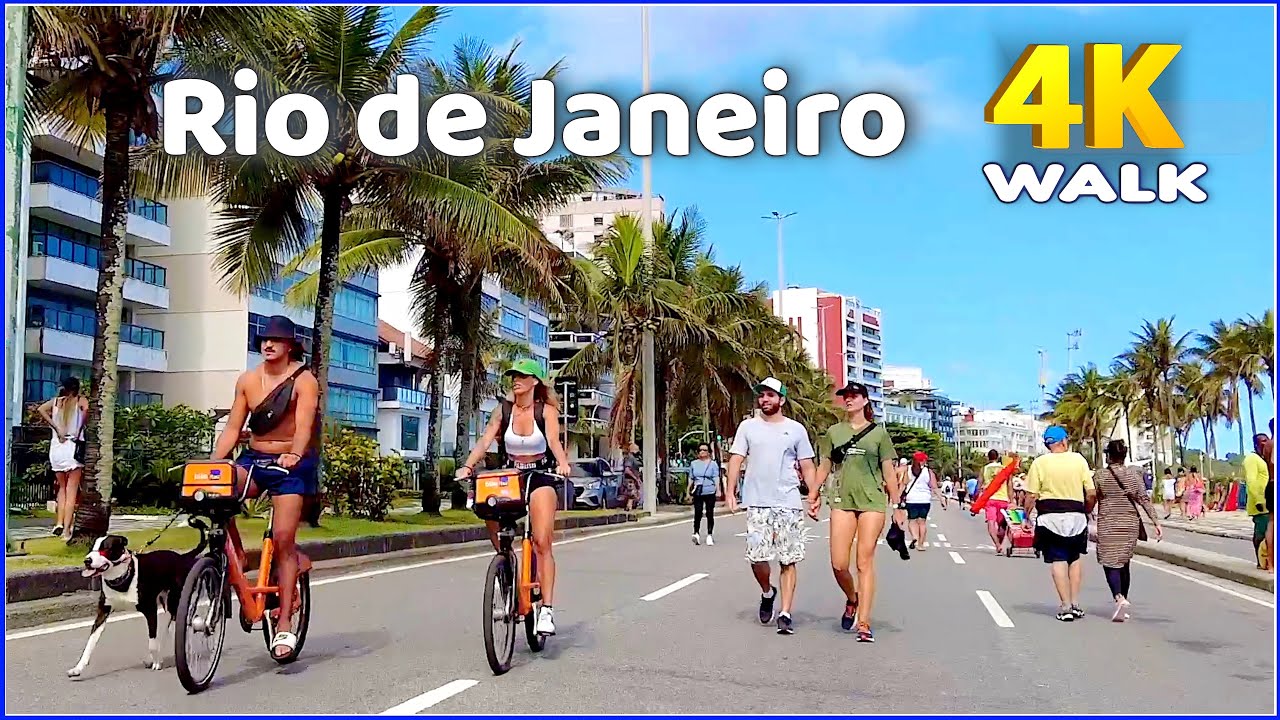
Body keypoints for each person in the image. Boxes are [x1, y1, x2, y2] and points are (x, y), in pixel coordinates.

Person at [211, 315, 320, 659]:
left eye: (276, 340)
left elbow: (304, 426)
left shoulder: (305, 381)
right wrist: (215, 461)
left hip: (291, 465)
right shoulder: (248, 380)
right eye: (264, 340)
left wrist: (295, 454)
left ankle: (284, 622)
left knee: (285, 541)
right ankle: (239, 555)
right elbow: (232, 428)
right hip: (254, 459)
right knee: (218, 493)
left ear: (290, 346)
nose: (268, 344)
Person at [457, 358, 572, 635]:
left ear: (534, 382)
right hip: (511, 476)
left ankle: (546, 609)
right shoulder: (503, 411)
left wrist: (563, 463)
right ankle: (505, 564)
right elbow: (485, 441)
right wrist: (468, 465)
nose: (515, 380)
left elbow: (554, 442)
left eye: (522, 376)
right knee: (487, 506)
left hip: (541, 477)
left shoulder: (546, 412)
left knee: (542, 541)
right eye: (513, 376)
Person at [808, 381, 900, 643]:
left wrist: (897, 505)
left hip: (872, 501)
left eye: (854, 395)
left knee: (864, 561)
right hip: (841, 500)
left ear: (865, 400)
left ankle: (864, 622)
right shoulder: (834, 432)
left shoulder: (879, 434)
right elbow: (824, 465)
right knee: (839, 564)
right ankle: (852, 597)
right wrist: (813, 493)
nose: (848, 399)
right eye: (845, 396)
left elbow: (888, 470)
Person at [725, 377, 816, 636]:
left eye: (770, 395)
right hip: (757, 501)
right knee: (757, 557)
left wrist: (813, 494)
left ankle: (785, 613)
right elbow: (736, 459)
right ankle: (768, 592)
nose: (765, 399)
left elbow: (807, 464)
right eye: (762, 395)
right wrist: (730, 491)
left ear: (781, 400)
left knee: (788, 559)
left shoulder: (796, 429)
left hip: (787, 501)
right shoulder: (748, 427)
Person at [1021, 426, 1096, 622]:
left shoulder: (1039, 463)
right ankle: (1075, 603)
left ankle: (1065, 606)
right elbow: (1091, 492)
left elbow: (1031, 495)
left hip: (1049, 516)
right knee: (1075, 558)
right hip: (1076, 516)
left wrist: (1025, 516)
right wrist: (1087, 509)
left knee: (1058, 559)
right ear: (1064, 441)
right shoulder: (1078, 460)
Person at [1094, 440, 1162, 622]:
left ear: (1108, 455)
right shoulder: (1134, 475)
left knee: (1109, 561)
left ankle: (1118, 597)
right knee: (1124, 561)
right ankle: (1123, 599)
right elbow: (1144, 499)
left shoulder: (1100, 476)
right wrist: (1156, 522)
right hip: (1129, 522)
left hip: (1108, 522)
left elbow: (1095, 496)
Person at [36, 377, 88, 541]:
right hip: (72, 446)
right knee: (72, 489)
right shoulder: (80, 401)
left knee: (62, 487)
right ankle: (66, 529)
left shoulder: (56, 402)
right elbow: (87, 412)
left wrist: (56, 427)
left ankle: (58, 522)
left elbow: (41, 409)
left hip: (57, 447)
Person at [1242, 433, 1272, 570]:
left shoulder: (1262, 459)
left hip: (1266, 500)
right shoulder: (1252, 459)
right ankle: (1261, 561)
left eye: (1267, 441)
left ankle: (1264, 559)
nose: (1265, 444)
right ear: (1256, 444)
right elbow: (1251, 481)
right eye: (1262, 441)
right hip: (1259, 502)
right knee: (1261, 532)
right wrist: (1259, 500)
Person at [902, 452, 935, 550]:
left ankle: (915, 537)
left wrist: (897, 498)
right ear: (924, 461)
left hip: (911, 499)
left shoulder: (907, 470)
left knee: (912, 521)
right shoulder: (928, 471)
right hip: (925, 500)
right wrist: (942, 499)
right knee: (922, 522)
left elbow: (904, 484)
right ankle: (921, 544)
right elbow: (934, 486)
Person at [689, 444, 721, 546]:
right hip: (698, 491)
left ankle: (709, 534)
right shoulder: (694, 464)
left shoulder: (713, 464)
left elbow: (716, 477)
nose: (702, 452)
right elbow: (691, 478)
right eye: (700, 450)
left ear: (708, 452)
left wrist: (718, 490)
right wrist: (688, 491)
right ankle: (696, 533)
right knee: (697, 512)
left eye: (704, 450)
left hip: (710, 490)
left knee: (709, 513)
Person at [981, 449, 1012, 555]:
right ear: (998, 457)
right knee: (1002, 525)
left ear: (988, 457)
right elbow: (1009, 486)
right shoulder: (1005, 469)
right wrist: (1012, 501)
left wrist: (977, 501)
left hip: (990, 499)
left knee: (991, 522)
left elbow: (979, 485)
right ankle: (1000, 543)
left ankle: (997, 545)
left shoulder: (984, 469)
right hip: (1003, 499)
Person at [620, 443, 642, 512]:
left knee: (634, 495)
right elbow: (627, 470)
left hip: (632, 479)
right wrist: (635, 477)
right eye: (637, 449)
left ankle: (629, 507)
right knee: (632, 494)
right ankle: (628, 507)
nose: (638, 451)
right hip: (630, 480)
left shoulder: (633, 458)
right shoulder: (630, 458)